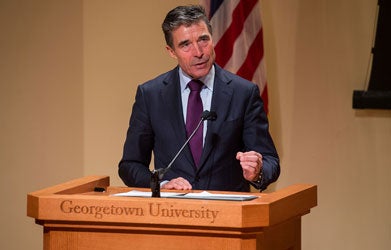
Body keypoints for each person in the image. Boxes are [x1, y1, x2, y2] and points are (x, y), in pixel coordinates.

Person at [118, 5, 279, 192]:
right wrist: (162, 185)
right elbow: (130, 165)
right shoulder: (151, 95)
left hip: (228, 214)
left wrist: (257, 171)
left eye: (203, 40)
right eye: (185, 44)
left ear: (212, 39)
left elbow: (270, 161)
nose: (198, 52)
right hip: (173, 212)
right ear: (171, 51)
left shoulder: (243, 92)